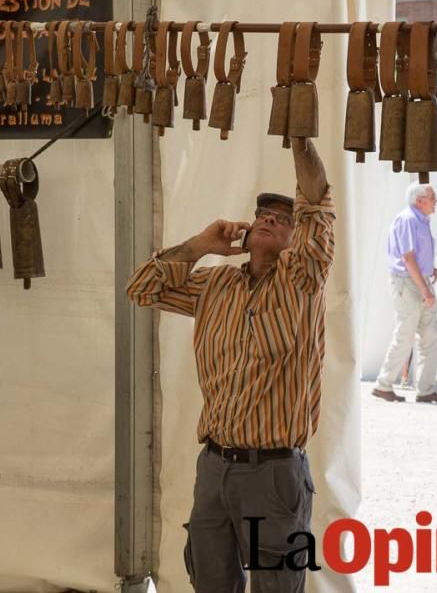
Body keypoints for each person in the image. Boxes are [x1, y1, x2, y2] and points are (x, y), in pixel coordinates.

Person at [126, 137, 332, 593]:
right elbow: (141, 288)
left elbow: (317, 203)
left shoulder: (302, 282)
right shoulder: (217, 284)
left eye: (283, 222)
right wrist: (201, 244)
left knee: (276, 585)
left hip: (275, 473)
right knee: (210, 580)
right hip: (216, 465)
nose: (270, 222)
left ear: (299, 241)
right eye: (263, 217)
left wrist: (298, 138)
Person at [372, 183, 437, 404]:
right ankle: (383, 384)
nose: (436, 201)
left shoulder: (421, 220)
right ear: (420, 200)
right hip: (407, 283)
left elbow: (417, 254)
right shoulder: (407, 219)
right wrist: (424, 289)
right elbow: (407, 257)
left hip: (419, 280)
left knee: (430, 335)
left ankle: (426, 389)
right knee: (405, 333)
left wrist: (429, 270)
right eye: (432, 197)